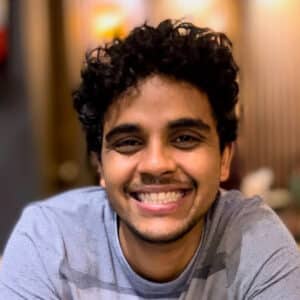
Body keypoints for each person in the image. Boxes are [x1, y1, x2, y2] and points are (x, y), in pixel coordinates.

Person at [1, 19, 300, 300]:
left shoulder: (253, 238)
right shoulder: (50, 239)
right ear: (99, 165)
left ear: (224, 158)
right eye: (129, 142)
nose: (156, 164)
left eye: (185, 138)